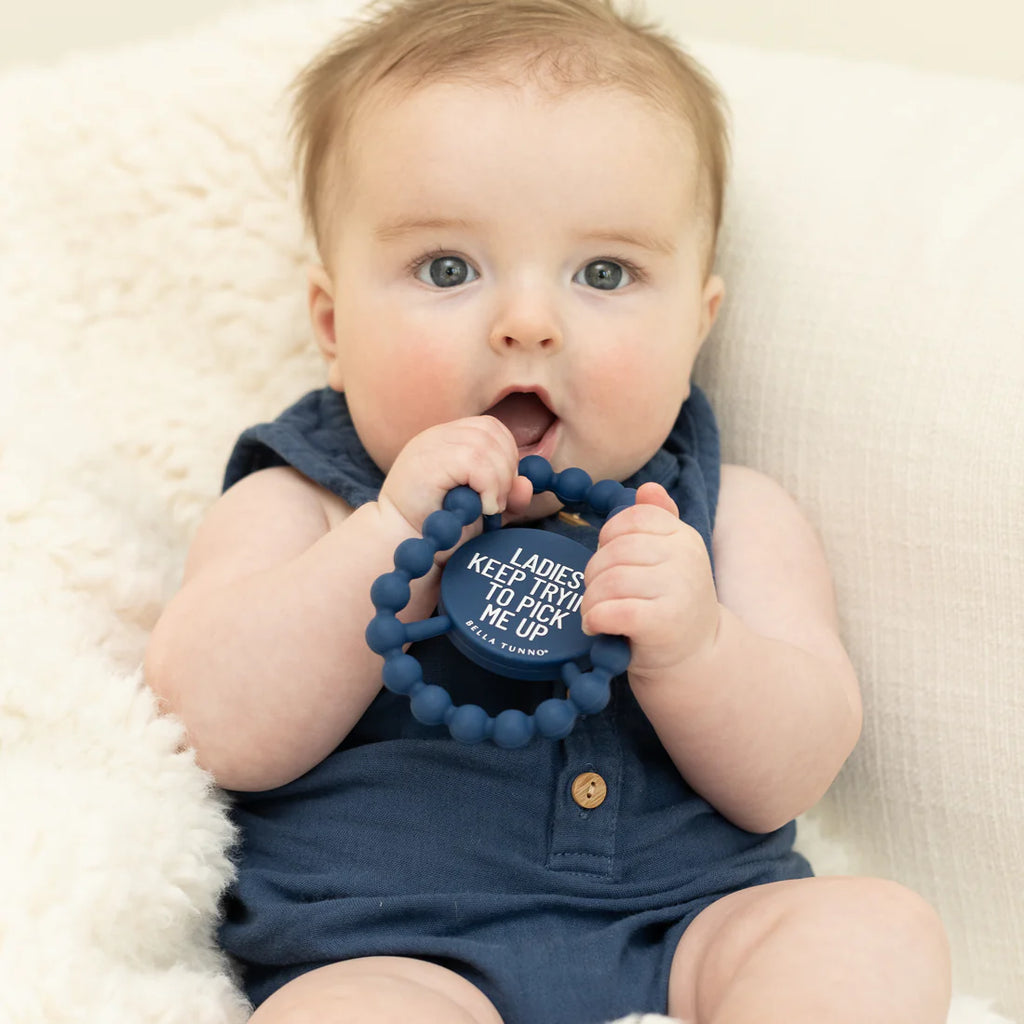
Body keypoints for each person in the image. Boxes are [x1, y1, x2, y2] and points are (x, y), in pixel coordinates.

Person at [145, 0, 952, 1021]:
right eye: (447, 268)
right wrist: (390, 540)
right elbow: (209, 724)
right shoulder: (301, 494)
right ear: (333, 326)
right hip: (385, 945)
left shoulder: (725, 512)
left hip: (689, 926)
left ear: (695, 327)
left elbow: (791, 770)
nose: (528, 322)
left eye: (604, 273)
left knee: (875, 930)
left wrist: (697, 645)